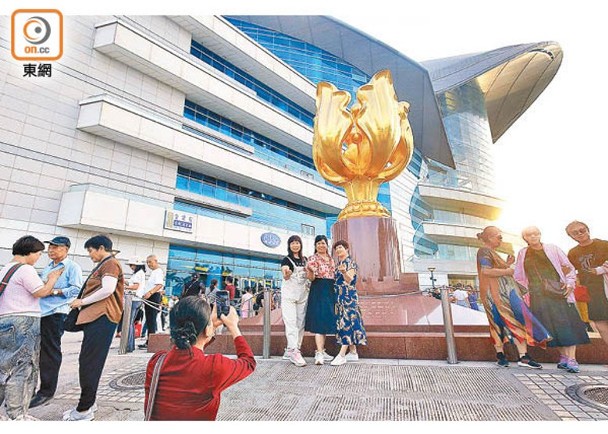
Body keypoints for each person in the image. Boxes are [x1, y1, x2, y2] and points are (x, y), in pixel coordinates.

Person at [143, 296, 256, 420]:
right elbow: (249, 362)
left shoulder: (157, 361)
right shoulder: (214, 367)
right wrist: (233, 326)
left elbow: (191, 350)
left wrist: (208, 328)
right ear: (207, 330)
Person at [0, 236, 64, 420]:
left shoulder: (6, 268)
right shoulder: (25, 269)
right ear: (30, 252)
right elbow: (41, 292)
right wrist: (52, 279)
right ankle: (17, 416)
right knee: (22, 369)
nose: (38, 257)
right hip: (23, 323)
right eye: (38, 253)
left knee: (4, 368)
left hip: (5, 320)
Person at [62, 234, 125, 421]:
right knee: (90, 361)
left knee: (89, 363)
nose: (90, 255)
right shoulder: (106, 264)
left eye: (90, 250)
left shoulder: (110, 264)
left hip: (103, 317)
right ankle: (89, 402)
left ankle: (84, 409)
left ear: (101, 248)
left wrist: (82, 301)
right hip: (99, 318)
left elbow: (108, 289)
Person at [514, 226, 590, 373]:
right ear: (525, 238)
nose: (534, 236)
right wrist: (525, 293)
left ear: (540, 234)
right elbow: (519, 275)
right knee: (551, 327)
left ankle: (572, 359)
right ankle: (563, 357)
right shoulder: (523, 253)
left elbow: (568, 267)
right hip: (538, 295)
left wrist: (570, 283)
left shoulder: (552, 248)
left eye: (536, 233)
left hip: (557, 292)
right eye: (529, 235)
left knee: (566, 324)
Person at [476, 226, 550, 369]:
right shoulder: (484, 251)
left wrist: (507, 265)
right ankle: (511, 356)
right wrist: (508, 269)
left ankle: (514, 356)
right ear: (490, 237)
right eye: (499, 237)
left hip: (501, 292)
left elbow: (494, 271)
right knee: (503, 321)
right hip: (495, 295)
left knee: (505, 321)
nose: (501, 240)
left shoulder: (491, 252)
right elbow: (486, 271)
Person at [30, 236, 83, 409]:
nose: (51, 250)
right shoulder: (48, 267)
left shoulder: (72, 267)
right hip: (41, 312)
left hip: (56, 312)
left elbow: (76, 289)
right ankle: (32, 388)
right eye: (50, 247)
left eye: (56, 247)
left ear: (66, 249)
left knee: (50, 353)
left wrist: (54, 291)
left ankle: (46, 391)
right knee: (36, 352)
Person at [565, 221, 608, 349]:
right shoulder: (573, 253)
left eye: (582, 230)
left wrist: (601, 269)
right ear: (571, 236)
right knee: (600, 323)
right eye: (575, 233)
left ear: (587, 229)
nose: (579, 234)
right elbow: (570, 271)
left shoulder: (604, 244)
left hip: (606, 285)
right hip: (592, 291)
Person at [330, 240, 367, 366]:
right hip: (339, 297)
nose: (338, 250)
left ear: (346, 249)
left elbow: (350, 280)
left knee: (346, 322)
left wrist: (344, 272)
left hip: (348, 297)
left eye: (340, 247)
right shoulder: (339, 263)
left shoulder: (350, 262)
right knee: (346, 321)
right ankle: (353, 352)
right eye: (336, 248)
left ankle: (341, 355)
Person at [304, 234, 336, 365]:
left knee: (326, 320)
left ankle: (322, 350)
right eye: (318, 243)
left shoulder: (331, 259)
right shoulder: (312, 258)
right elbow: (311, 278)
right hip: (318, 288)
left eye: (323, 243)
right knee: (318, 321)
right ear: (315, 246)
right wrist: (311, 271)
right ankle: (319, 353)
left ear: (327, 245)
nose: (321, 245)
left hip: (330, 289)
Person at [280, 235, 309, 367]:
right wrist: (287, 273)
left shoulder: (305, 260)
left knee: (300, 323)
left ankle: (293, 348)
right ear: (289, 245)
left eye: (297, 243)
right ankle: (293, 351)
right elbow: (285, 273)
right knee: (290, 322)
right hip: (289, 296)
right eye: (292, 243)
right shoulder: (286, 260)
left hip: (303, 295)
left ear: (300, 245)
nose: (295, 245)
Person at [139, 255, 165, 349]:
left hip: (153, 296)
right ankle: (149, 340)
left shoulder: (158, 271)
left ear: (156, 261)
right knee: (149, 320)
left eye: (150, 262)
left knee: (151, 320)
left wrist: (150, 293)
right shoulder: (154, 272)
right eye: (147, 262)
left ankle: (151, 342)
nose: (149, 264)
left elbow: (159, 285)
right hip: (150, 296)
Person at [124, 256, 146, 353]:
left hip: (133, 299)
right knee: (131, 323)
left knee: (128, 323)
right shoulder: (139, 274)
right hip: (136, 299)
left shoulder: (138, 274)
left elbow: (135, 286)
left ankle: (128, 345)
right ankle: (130, 345)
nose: (131, 267)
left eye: (132, 265)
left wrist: (125, 287)